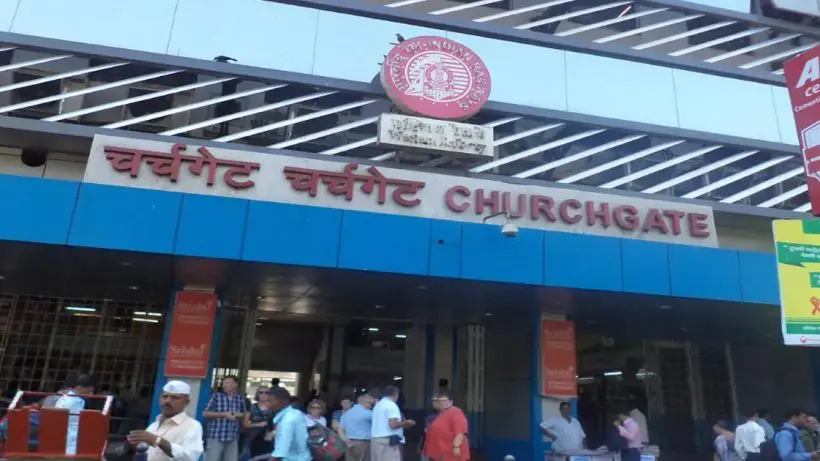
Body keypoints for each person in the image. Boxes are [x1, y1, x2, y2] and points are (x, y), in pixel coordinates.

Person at [126, 381, 204, 461]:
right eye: (164, 396)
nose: (167, 401)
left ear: (186, 402)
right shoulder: (154, 425)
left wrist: (158, 441)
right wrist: (137, 445)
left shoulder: (193, 426)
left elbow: (189, 457)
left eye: (175, 398)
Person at [203, 376, 247, 461]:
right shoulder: (216, 396)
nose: (224, 385)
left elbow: (243, 414)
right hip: (216, 436)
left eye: (227, 382)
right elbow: (205, 413)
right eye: (223, 383)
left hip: (232, 436)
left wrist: (236, 414)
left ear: (235, 384)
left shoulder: (239, 398)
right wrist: (224, 414)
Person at [54, 374, 96, 455]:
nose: (91, 395)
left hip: (63, 439)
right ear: (79, 388)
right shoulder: (74, 401)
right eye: (89, 391)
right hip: (71, 442)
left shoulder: (65, 398)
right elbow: (76, 424)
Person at [371, 385, 415, 461]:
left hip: (376, 441)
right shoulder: (391, 405)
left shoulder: (378, 405)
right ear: (396, 394)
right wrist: (407, 423)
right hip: (388, 443)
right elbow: (393, 424)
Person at [424, 390, 469, 461]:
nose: (442, 403)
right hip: (440, 453)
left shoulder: (455, 412)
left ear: (451, 402)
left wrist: (456, 446)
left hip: (450, 453)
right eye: (440, 401)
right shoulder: (441, 413)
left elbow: (459, 432)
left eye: (444, 401)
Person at [269, 387, 311, 461]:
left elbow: (280, 452)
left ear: (283, 401)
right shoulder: (296, 413)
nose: (268, 404)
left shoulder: (287, 421)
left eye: (270, 401)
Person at [340, 393, 375, 461]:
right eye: (371, 404)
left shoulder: (346, 413)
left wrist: (346, 440)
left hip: (349, 443)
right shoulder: (368, 413)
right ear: (366, 402)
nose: (371, 407)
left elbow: (340, 430)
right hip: (363, 443)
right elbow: (381, 422)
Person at [242, 386, 273, 461]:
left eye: (266, 392)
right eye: (261, 392)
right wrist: (258, 424)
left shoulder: (273, 407)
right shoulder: (252, 407)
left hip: (269, 437)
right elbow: (245, 424)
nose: (264, 394)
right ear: (257, 394)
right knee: (252, 457)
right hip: (253, 437)